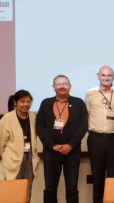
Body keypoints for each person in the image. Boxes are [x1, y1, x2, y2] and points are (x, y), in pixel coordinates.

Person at [36, 74, 88, 203]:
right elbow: (39, 126)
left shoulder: (78, 103)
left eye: (65, 84)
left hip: (72, 151)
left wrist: (71, 145)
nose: (62, 86)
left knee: (72, 189)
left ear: (70, 86)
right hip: (51, 151)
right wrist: (51, 145)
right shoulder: (46, 103)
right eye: (59, 84)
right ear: (53, 87)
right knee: (49, 189)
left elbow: (83, 126)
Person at [85, 65, 114, 203]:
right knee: (97, 177)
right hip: (95, 138)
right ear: (98, 76)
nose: (106, 78)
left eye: (109, 75)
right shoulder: (90, 93)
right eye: (103, 75)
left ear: (113, 77)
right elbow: (87, 115)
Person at [0, 90, 40, 203]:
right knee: (12, 192)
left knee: (26, 192)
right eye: (22, 101)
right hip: (13, 159)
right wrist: (6, 156)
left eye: (28, 102)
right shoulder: (7, 118)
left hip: (29, 158)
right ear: (15, 103)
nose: (26, 104)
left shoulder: (33, 117)